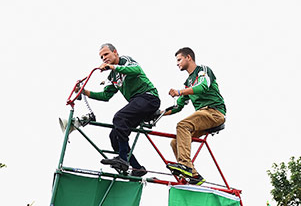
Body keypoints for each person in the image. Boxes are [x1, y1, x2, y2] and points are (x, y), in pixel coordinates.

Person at [77, 43, 160, 177]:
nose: (104, 58)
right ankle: (138, 168)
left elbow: (137, 70)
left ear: (115, 52)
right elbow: (105, 96)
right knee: (114, 136)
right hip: (137, 103)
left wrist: (112, 66)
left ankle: (123, 159)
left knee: (119, 117)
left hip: (148, 97)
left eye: (106, 54)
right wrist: (85, 92)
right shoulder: (113, 76)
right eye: (101, 57)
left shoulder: (125, 61)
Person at [162, 47, 226, 186]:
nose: (177, 63)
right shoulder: (187, 83)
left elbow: (203, 86)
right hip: (203, 115)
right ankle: (195, 175)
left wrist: (180, 92)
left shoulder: (202, 70)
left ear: (188, 57)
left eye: (179, 60)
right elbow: (178, 107)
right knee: (175, 142)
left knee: (183, 125)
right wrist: (158, 114)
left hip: (214, 112)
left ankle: (185, 166)